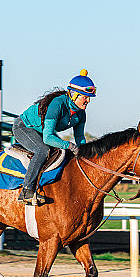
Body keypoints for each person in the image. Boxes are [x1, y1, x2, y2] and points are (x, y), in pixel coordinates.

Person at [12, 69, 97, 205]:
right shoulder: (57, 104)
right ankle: (27, 190)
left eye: (89, 98)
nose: (88, 101)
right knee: (43, 150)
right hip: (24, 127)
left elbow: (80, 138)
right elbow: (48, 138)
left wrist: (85, 155)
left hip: (42, 130)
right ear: (74, 95)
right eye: (85, 97)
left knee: (63, 153)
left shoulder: (81, 114)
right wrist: (69, 145)